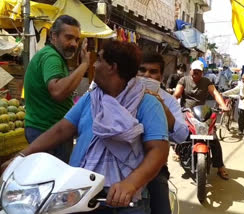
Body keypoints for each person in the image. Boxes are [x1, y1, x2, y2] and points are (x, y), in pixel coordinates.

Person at [2, 40, 170, 214]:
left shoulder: (147, 103)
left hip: (123, 200)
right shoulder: (91, 98)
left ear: (112, 67)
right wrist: (21, 157)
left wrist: (131, 183)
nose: (94, 65)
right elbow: (61, 130)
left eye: (99, 60)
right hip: (80, 193)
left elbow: (158, 151)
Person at [23, 15, 90, 163]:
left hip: (47, 131)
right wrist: (84, 65)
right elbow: (58, 92)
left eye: (77, 40)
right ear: (53, 36)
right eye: (69, 37)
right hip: (47, 132)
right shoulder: (51, 57)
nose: (73, 44)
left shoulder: (53, 56)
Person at [137, 52, 189, 214]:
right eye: (142, 70)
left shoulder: (169, 101)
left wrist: (162, 108)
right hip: (121, 165)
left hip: (155, 168)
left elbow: (181, 136)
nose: (147, 75)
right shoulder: (123, 94)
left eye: (153, 72)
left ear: (160, 77)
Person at [173, 60, 229, 180]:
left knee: (213, 137)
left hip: (202, 113)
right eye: (194, 71)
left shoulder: (206, 81)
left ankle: (220, 167)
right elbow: (177, 94)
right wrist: (170, 102)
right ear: (190, 71)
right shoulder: (184, 80)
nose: (195, 74)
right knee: (180, 132)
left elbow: (215, 93)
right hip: (187, 112)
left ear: (202, 73)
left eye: (198, 72)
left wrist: (222, 105)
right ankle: (177, 151)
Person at [222, 73, 244, 140]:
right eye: (242, 79)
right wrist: (224, 93)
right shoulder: (241, 84)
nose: (243, 80)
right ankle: (240, 131)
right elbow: (234, 90)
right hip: (241, 105)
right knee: (240, 119)